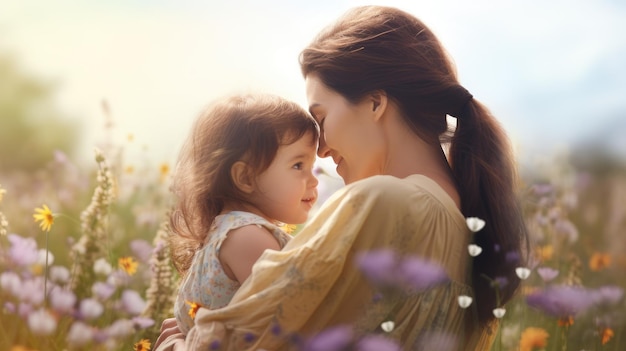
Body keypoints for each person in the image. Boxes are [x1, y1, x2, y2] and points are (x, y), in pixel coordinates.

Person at [156, 5, 528, 351]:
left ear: (375, 103)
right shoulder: (468, 238)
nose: (320, 151)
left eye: (321, 119)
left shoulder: (383, 202)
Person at [164, 93, 320, 344]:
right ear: (245, 178)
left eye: (312, 167)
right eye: (298, 166)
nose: (313, 181)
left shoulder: (227, 231)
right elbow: (291, 320)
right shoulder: (248, 237)